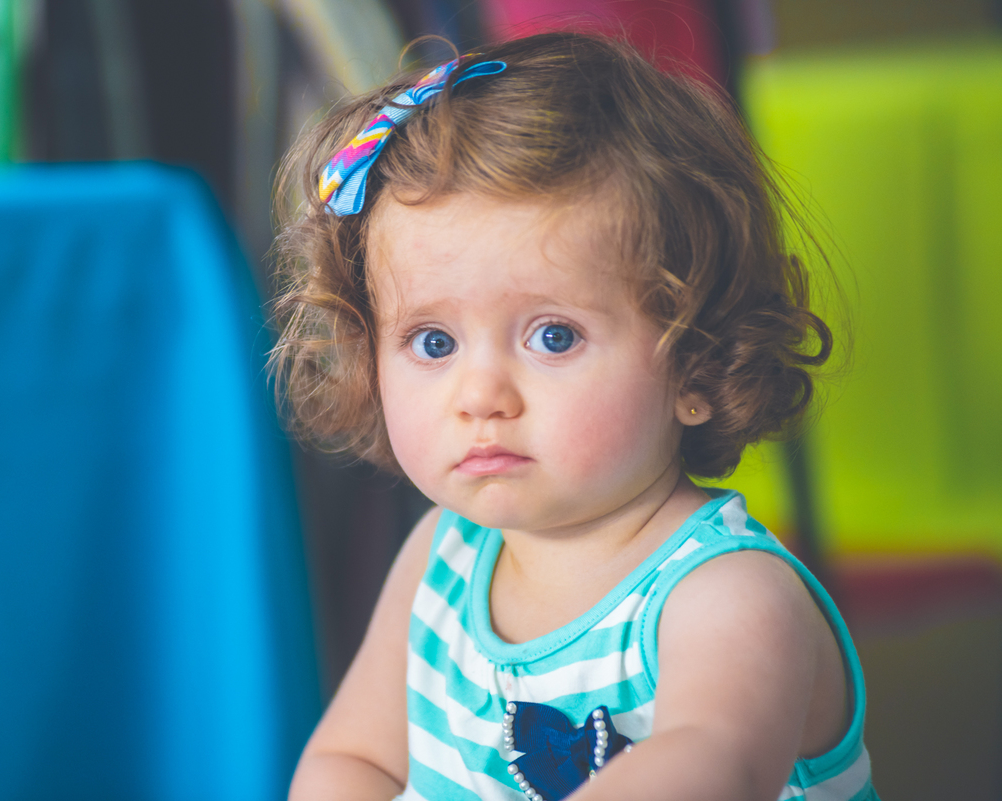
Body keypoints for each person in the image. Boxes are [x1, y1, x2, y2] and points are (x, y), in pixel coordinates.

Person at [271, 31, 877, 801]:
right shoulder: (441, 558)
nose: (479, 392)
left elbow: (709, 766)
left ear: (694, 362)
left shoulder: (728, 595)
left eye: (553, 336)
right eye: (433, 341)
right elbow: (355, 759)